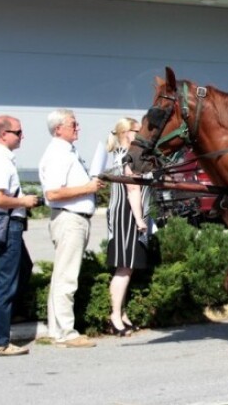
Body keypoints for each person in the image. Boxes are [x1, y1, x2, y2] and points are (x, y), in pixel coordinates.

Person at [39, 109, 105, 348]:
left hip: (74, 218)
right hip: (69, 219)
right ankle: (66, 331)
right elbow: (53, 192)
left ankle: (57, 330)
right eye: (73, 124)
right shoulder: (58, 154)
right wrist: (88, 188)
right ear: (58, 129)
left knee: (62, 275)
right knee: (67, 277)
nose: (77, 127)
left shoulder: (67, 152)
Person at [0, 116, 41, 357]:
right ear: (3, 134)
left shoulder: (2, 158)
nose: (22, 136)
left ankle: (12, 315)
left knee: (24, 268)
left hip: (10, 223)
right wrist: (23, 201)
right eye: (18, 132)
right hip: (7, 223)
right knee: (6, 281)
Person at [106, 118, 149, 336]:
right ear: (126, 132)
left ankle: (121, 314)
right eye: (137, 131)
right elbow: (133, 191)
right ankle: (114, 316)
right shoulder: (128, 157)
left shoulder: (119, 155)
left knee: (126, 267)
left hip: (119, 213)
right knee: (124, 267)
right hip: (127, 214)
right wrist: (140, 220)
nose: (141, 135)